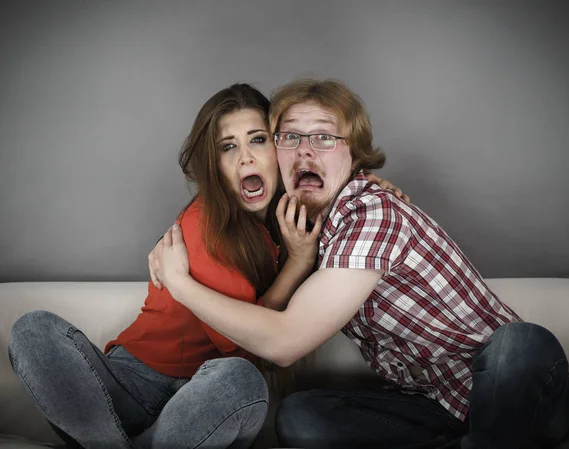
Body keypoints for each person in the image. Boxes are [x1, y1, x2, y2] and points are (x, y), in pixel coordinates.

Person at [154, 79, 569, 449]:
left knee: (520, 343)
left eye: (324, 138)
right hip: (434, 408)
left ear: (353, 154)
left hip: (522, 396)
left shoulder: (372, 211)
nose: (305, 153)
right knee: (299, 416)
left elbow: (283, 344)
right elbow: (262, 314)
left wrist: (181, 284)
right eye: (289, 138)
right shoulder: (299, 229)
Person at [8, 83, 404, 449]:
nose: (246, 156)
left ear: (280, 149)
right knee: (33, 328)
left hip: (206, 406)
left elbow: (343, 192)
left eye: (258, 140)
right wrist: (298, 263)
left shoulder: (293, 216)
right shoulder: (202, 225)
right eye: (227, 147)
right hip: (128, 388)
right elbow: (252, 344)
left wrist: (371, 186)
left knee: (238, 380)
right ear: (213, 163)